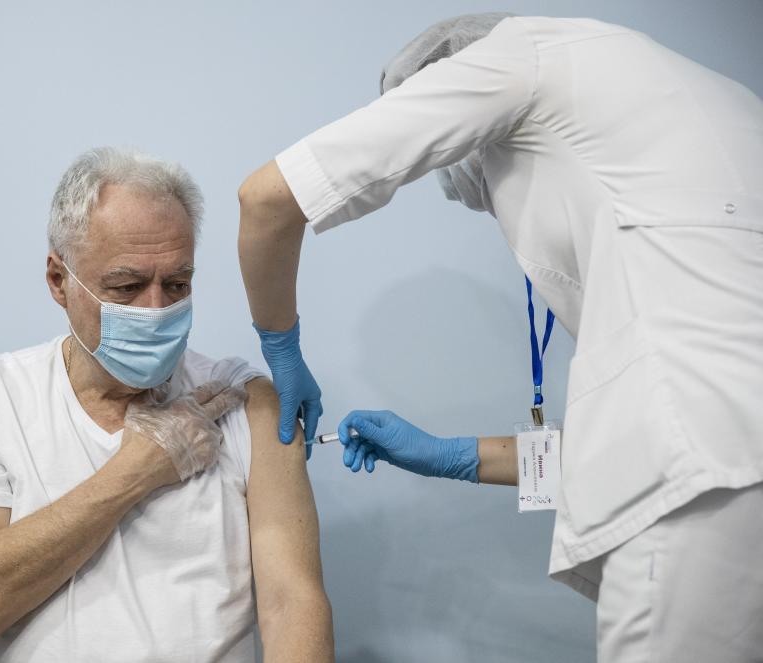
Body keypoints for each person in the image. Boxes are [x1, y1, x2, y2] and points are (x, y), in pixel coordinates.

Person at [238, 13, 763, 662]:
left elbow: (265, 199)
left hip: (701, 487)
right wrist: (453, 454)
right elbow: (667, 423)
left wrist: (280, 347)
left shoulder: (519, 58)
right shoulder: (716, 107)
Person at [0, 148, 334, 662]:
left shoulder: (244, 400)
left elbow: (292, 604)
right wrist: (137, 470)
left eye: (177, 284)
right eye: (127, 286)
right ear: (59, 280)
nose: (156, 310)